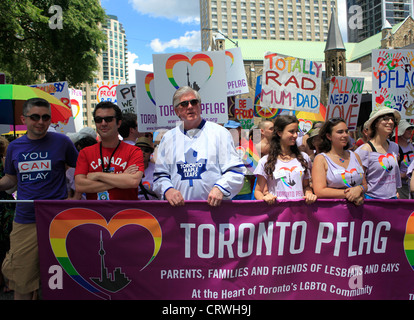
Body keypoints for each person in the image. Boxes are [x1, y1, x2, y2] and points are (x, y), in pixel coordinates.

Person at [0, 98, 78, 300]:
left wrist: (74, 197)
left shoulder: (62, 142)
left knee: (60, 281)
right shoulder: (14, 147)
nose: (41, 122)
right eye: (35, 117)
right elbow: (10, 179)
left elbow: (80, 172)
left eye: (45, 117)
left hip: (58, 219)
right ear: (23, 118)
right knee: (22, 281)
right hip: (26, 220)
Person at [153, 86, 246, 207]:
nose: (190, 106)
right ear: (177, 111)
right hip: (178, 212)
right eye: (184, 104)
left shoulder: (220, 133)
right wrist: (167, 190)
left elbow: (236, 171)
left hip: (214, 211)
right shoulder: (168, 138)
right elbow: (160, 176)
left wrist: (220, 188)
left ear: (200, 106)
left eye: (194, 102)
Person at [74, 101, 144, 200]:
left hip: (126, 213)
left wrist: (97, 175)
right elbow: (80, 186)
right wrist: (122, 178)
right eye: (99, 120)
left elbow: (132, 182)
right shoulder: (85, 153)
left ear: (119, 123)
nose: (103, 123)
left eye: (108, 119)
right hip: (96, 214)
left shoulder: (134, 151)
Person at [254, 115, 317, 205]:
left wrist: (309, 193)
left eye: (296, 132)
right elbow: (258, 191)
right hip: (278, 214)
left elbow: (306, 186)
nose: (295, 135)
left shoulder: (304, 158)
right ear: (279, 133)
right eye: (291, 132)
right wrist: (264, 197)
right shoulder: (265, 161)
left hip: (300, 213)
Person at [311, 118, 367, 206]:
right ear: (329, 136)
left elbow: (364, 184)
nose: (345, 135)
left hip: (357, 212)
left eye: (346, 131)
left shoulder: (355, 156)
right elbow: (319, 191)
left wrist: (360, 189)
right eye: (340, 132)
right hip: (334, 212)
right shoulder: (321, 159)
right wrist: (348, 193)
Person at [355, 106, 402, 199]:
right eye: (385, 119)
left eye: (392, 120)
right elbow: (359, 179)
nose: (390, 122)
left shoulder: (394, 147)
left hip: (392, 199)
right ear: (375, 123)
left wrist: (395, 192)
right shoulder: (364, 150)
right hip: (372, 201)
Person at [223, 120, 255, 200]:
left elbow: (255, 169)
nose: (230, 132)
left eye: (233, 130)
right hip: (225, 190)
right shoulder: (219, 146)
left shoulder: (248, 146)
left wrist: (246, 162)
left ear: (240, 130)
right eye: (227, 129)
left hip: (244, 192)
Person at [0, 136, 15, 294]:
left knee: (6, 247)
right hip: (6, 207)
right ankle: (8, 282)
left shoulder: (5, 160)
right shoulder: (5, 159)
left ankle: (8, 281)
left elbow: (10, 182)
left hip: (4, 207)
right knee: (7, 247)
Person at [395, 120, 414, 199]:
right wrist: (401, 175)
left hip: (411, 182)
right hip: (401, 187)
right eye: (407, 129)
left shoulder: (412, 146)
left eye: (411, 129)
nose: (410, 131)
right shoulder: (395, 148)